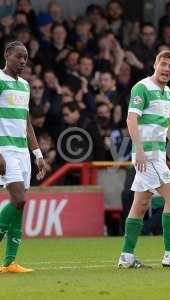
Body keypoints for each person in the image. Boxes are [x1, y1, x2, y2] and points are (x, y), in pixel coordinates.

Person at [117, 50, 170, 268]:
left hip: (157, 154)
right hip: (147, 155)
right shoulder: (142, 87)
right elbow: (131, 119)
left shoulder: (167, 92)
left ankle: (126, 257)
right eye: (164, 64)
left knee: (140, 204)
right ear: (155, 65)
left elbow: (169, 125)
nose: (167, 69)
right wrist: (139, 149)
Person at [0, 41, 46, 273]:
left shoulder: (25, 86)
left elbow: (27, 123)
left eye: (26, 58)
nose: (22, 61)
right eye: (19, 56)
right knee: (18, 199)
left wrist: (37, 153)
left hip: (22, 152)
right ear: (7, 54)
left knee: (20, 206)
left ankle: (9, 262)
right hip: (4, 149)